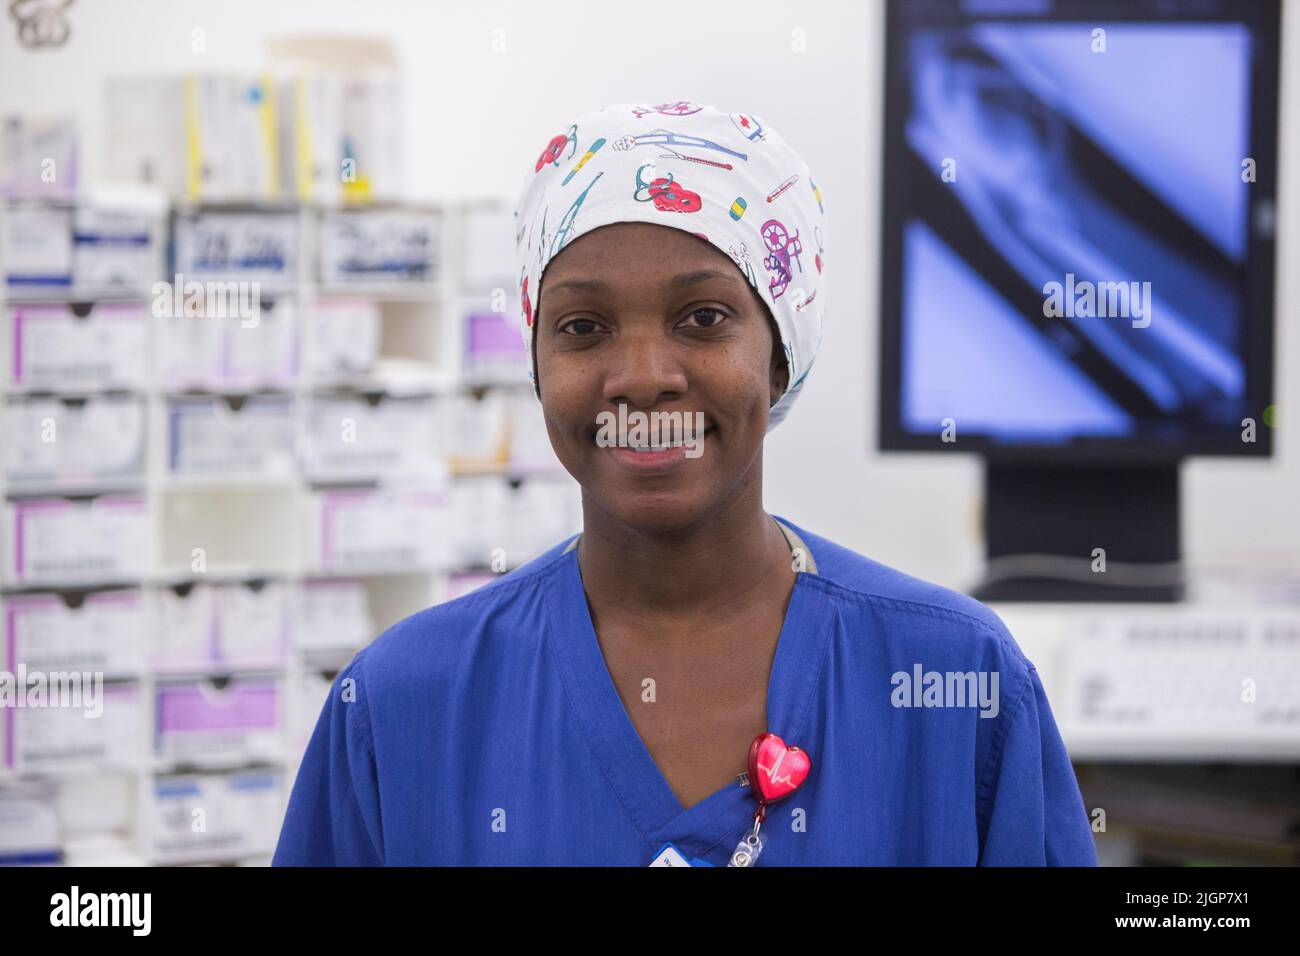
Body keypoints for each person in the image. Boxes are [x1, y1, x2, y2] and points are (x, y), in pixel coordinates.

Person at [272, 101, 1097, 866]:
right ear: (535, 362)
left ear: (779, 357)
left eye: (702, 318)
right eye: (582, 328)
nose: (640, 377)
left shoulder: (956, 684)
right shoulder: (404, 704)